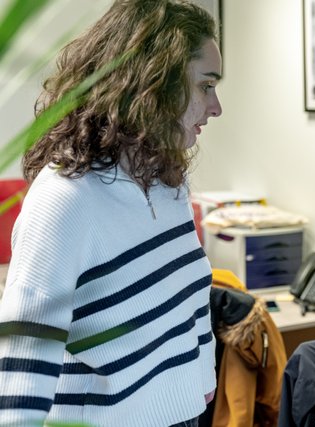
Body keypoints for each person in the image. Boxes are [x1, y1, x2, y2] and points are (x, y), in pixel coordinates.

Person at [0, 0, 222, 426]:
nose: (216, 108)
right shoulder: (65, 198)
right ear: (153, 83)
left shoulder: (166, 180)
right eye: (205, 87)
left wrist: (201, 376)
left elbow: (193, 297)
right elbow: (26, 356)